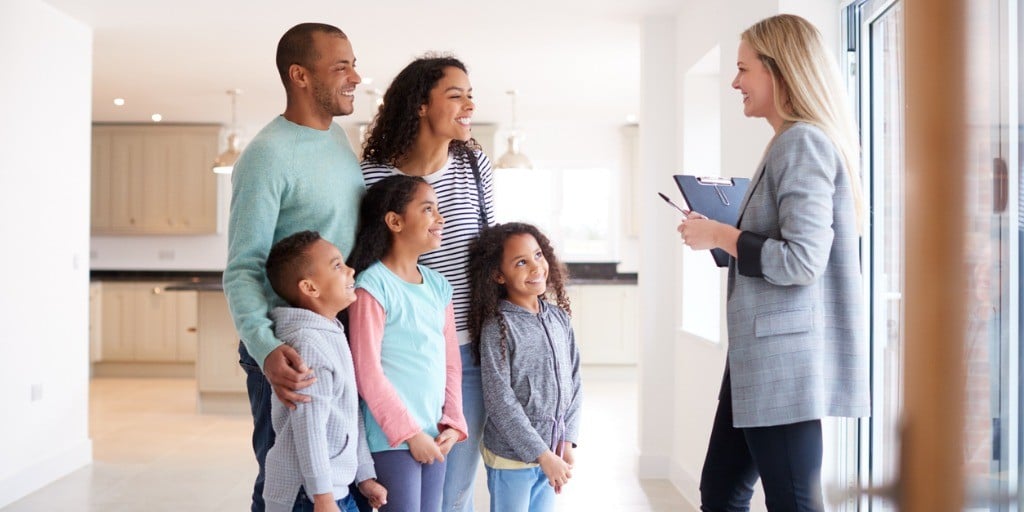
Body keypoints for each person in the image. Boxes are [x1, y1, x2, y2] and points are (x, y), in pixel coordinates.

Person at [677, 14, 868, 512]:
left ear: (778, 71)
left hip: (784, 361)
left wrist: (720, 232)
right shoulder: (788, 142)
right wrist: (725, 235)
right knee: (721, 492)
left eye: (743, 69)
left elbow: (802, 261)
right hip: (759, 358)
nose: (735, 82)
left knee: (794, 501)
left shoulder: (801, 142)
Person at [222, 22, 364, 512]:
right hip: (290, 350)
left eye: (354, 64)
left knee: (334, 471)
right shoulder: (266, 156)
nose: (356, 77)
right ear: (300, 75)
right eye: (341, 66)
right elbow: (243, 267)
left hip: (335, 334)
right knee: (287, 480)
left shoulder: (339, 141)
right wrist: (266, 349)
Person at [360, 54, 495, 512]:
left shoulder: (476, 166)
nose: (468, 105)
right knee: (401, 491)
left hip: (466, 351)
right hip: (397, 355)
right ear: (420, 104)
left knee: (452, 491)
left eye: (470, 95)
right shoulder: (372, 175)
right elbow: (363, 260)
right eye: (455, 95)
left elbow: (490, 254)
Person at [346, 175, 469, 512]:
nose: (440, 219)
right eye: (428, 209)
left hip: (435, 436)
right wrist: (409, 433)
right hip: (393, 439)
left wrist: (454, 423)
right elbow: (367, 372)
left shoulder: (439, 286)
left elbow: (450, 364)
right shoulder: (371, 286)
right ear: (395, 221)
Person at [261, 231, 387, 512]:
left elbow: (349, 411)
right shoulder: (309, 344)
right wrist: (323, 497)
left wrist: (364, 475)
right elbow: (309, 429)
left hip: (330, 490)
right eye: (337, 265)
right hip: (306, 495)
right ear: (310, 288)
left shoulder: (330, 332)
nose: (351, 270)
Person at [467, 222, 582, 512]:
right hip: (511, 458)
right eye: (521, 262)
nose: (535, 267)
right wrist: (541, 454)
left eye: (538, 255)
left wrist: (567, 440)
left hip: (552, 453)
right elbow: (499, 401)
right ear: (498, 275)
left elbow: (574, 381)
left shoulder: (559, 318)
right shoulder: (499, 327)